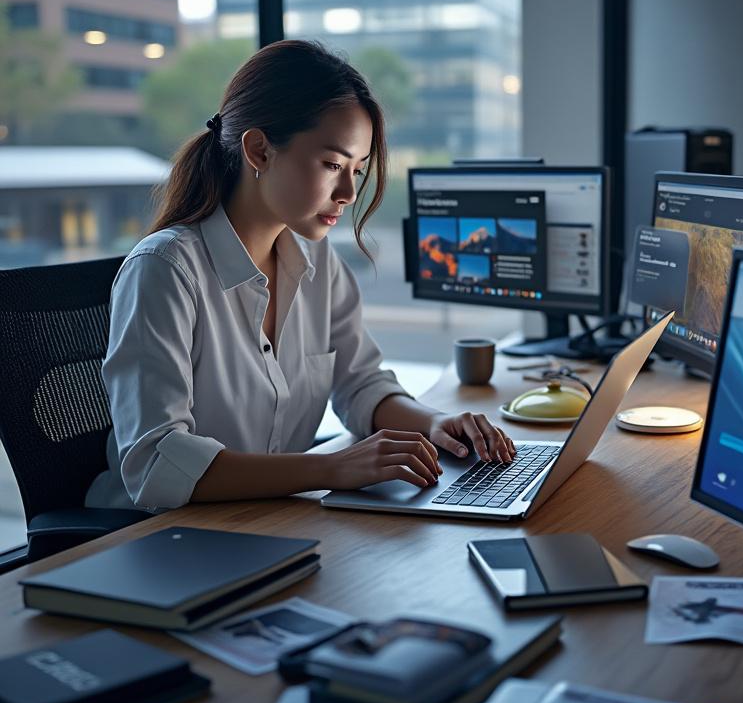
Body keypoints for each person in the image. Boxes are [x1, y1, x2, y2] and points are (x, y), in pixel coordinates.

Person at [86, 40, 515, 513]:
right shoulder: (165, 270)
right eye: (332, 164)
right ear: (259, 151)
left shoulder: (317, 261)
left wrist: (433, 424)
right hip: (161, 535)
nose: (349, 192)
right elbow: (157, 464)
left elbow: (360, 383)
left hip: (273, 520)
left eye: (357, 170)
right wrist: (331, 468)